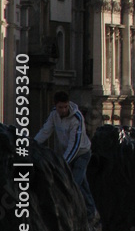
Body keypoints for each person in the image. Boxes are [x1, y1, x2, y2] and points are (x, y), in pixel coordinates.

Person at [34, 89, 98, 222]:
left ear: (68, 104)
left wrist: (63, 162)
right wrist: (32, 143)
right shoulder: (54, 115)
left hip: (81, 153)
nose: (63, 110)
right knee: (82, 184)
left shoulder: (77, 118)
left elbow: (74, 144)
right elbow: (45, 131)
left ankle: (77, 213)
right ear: (55, 106)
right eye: (60, 107)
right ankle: (92, 211)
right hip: (66, 153)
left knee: (73, 181)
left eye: (65, 107)